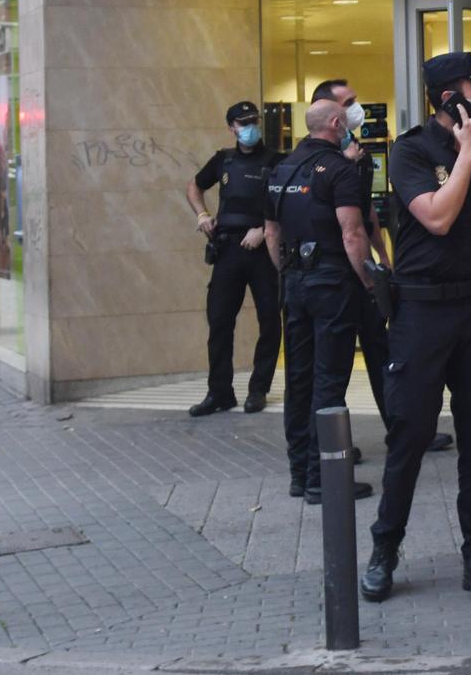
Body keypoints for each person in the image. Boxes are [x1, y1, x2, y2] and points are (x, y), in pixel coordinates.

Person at [362, 52, 471, 605]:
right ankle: (385, 550)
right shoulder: (410, 150)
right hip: (420, 313)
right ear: (447, 98)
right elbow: (436, 215)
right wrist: (467, 153)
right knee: (409, 434)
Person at [309, 79, 453, 456]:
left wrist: (384, 260)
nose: (355, 108)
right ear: (329, 112)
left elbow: (367, 213)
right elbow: (346, 227)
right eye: (348, 103)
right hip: (336, 275)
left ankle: (404, 431)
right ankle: (332, 449)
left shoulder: (355, 154)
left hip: (364, 272)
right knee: (331, 369)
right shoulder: (320, 159)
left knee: (385, 357)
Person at [263, 98, 374, 504]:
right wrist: (368, 281)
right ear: (334, 123)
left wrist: (287, 274)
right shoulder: (340, 170)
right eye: (344, 121)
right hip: (331, 284)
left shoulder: (280, 169)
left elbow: (271, 233)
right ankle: (320, 479)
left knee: (299, 378)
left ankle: (299, 473)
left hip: (294, 282)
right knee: (329, 380)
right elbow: (352, 233)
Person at [184, 101, 281, 418]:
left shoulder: (276, 162)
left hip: (263, 250)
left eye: (253, 121)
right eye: (243, 123)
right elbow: (194, 186)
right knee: (220, 321)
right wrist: (202, 214)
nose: (250, 127)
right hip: (228, 249)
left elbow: (288, 204)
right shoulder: (223, 160)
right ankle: (220, 392)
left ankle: (258, 389)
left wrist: (263, 229)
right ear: (232, 128)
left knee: (269, 320)